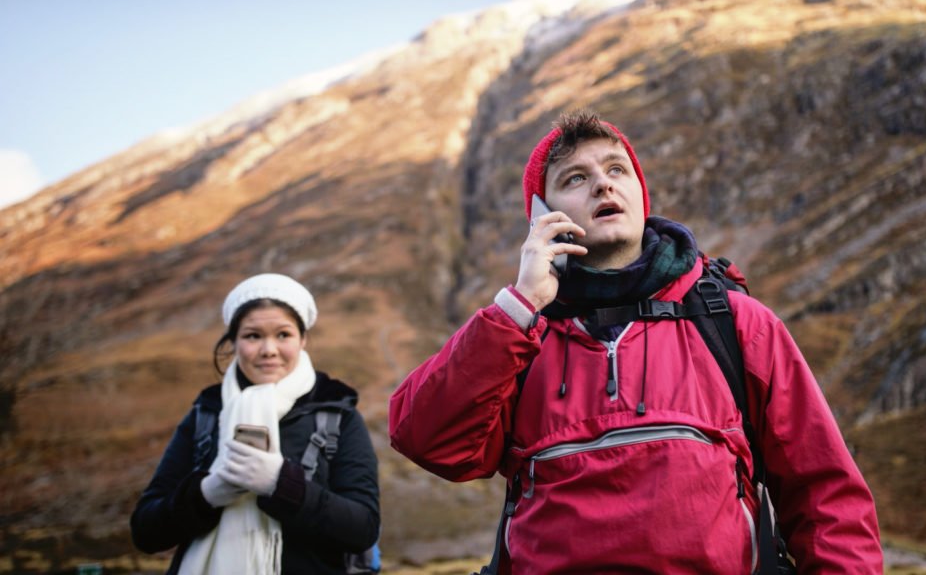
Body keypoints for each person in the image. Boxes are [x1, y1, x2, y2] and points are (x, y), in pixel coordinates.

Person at [389, 110, 883, 573]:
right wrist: (519, 305)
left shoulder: (734, 322)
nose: (603, 182)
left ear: (641, 195)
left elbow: (826, 498)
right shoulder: (517, 335)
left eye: (616, 170)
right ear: (543, 217)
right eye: (575, 178)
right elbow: (427, 439)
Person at [132, 273, 380, 574]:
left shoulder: (338, 415)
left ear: (303, 339)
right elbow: (145, 531)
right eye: (253, 336)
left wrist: (282, 484)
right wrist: (206, 494)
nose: (268, 350)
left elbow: (363, 528)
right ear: (234, 341)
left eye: (283, 335)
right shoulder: (206, 414)